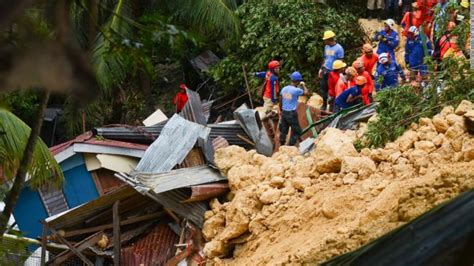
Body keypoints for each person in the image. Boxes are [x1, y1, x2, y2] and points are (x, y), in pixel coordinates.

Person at [279, 71, 309, 146]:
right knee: (297, 131)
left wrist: (281, 109)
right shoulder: (296, 90)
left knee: (284, 130)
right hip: (291, 113)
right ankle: (290, 145)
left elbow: (280, 99)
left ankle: (282, 144)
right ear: (298, 81)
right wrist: (303, 85)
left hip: (284, 112)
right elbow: (306, 93)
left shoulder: (284, 89)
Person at [319, 30, 344, 111]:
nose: (324, 41)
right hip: (325, 70)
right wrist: (321, 68)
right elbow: (325, 58)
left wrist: (339, 73)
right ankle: (324, 104)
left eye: (325, 39)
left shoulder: (339, 48)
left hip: (333, 72)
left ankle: (333, 107)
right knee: (323, 88)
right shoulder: (326, 47)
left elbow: (340, 61)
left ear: (329, 39)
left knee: (333, 90)